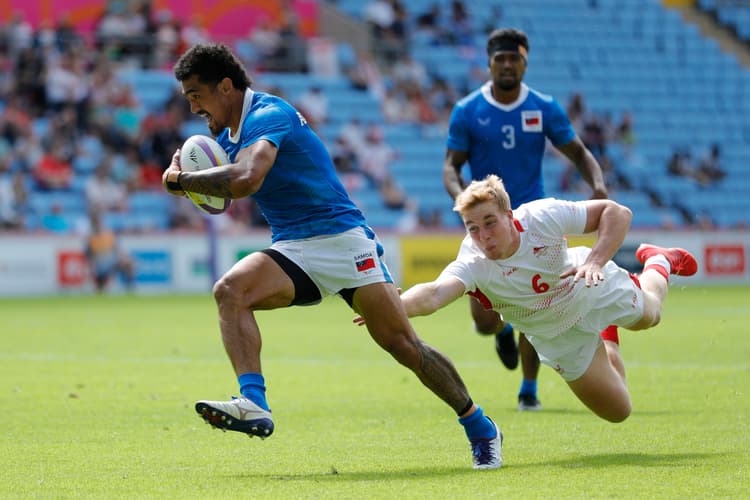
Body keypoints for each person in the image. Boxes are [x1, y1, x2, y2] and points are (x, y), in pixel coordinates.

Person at [161, 43, 502, 470]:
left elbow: (246, 180)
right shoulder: (227, 137)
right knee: (230, 290)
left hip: (343, 241)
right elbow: (225, 193)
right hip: (293, 248)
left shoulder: (270, 115)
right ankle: (253, 401)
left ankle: (481, 427)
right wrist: (193, 183)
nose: (193, 106)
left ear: (226, 86)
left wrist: (182, 181)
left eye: (197, 94)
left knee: (402, 345)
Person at [357, 174, 697, 424]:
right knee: (619, 411)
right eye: (472, 228)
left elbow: (617, 213)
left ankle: (659, 260)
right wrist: (393, 308)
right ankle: (606, 333)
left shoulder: (541, 217)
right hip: (555, 335)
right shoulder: (473, 262)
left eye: (490, 222)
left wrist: (595, 261)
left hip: (585, 283)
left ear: (509, 215)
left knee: (651, 315)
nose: (483, 236)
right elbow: (433, 294)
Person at [443, 28, 610, 411]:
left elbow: (579, 152)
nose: (506, 65)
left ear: (524, 62)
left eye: (513, 58)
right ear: (489, 63)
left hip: (535, 224)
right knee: (484, 321)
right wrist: (462, 200)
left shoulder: (543, 107)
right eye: (500, 59)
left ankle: (529, 388)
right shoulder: (468, 110)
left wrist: (598, 186)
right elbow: (450, 166)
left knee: (540, 305)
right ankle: (499, 327)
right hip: (488, 225)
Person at [85, 210, 135, 293]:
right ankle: (100, 284)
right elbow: (88, 256)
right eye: (95, 221)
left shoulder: (108, 234)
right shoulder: (90, 238)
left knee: (129, 263)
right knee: (100, 289)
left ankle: (130, 289)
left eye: (98, 221)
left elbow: (118, 249)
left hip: (112, 264)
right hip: (99, 267)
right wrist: (91, 269)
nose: (98, 223)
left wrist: (124, 258)